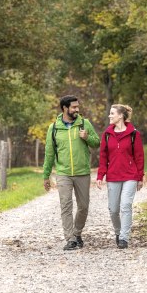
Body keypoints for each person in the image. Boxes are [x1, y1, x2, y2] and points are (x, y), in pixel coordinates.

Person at [43, 95, 100, 250]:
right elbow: (49, 154)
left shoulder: (84, 123)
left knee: (83, 206)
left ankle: (77, 232)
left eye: (78, 107)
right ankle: (70, 239)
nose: (77, 109)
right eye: (74, 107)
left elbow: (97, 143)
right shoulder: (54, 128)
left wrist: (87, 137)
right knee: (66, 206)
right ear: (65, 108)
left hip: (82, 172)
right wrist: (46, 176)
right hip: (63, 173)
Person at [96, 104, 145, 249]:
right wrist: (100, 175)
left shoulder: (134, 134)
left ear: (120, 116)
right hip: (113, 176)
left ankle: (124, 238)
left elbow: (139, 157)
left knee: (125, 205)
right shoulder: (106, 134)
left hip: (130, 175)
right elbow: (103, 156)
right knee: (113, 209)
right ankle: (118, 232)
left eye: (112, 114)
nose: (109, 116)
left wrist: (140, 177)